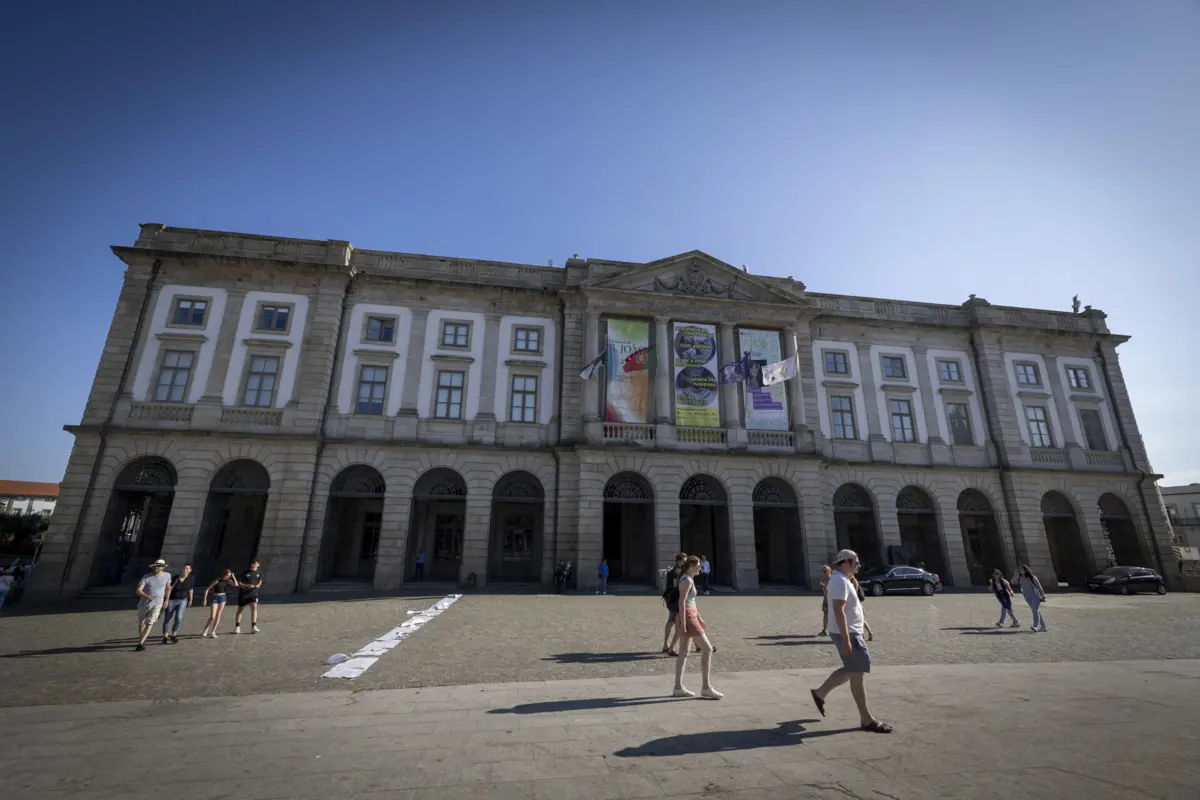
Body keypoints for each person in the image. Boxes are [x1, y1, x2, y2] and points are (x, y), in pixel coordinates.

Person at [810, 549, 892, 733]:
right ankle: (866, 719)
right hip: (848, 633)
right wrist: (847, 639)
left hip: (850, 632)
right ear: (845, 562)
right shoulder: (839, 581)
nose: (859, 565)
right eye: (856, 561)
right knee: (857, 671)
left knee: (854, 669)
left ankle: (820, 693)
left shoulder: (842, 580)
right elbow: (839, 610)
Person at [672, 555, 722, 699]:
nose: (700, 567)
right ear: (691, 567)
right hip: (688, 617)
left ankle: (678, 688)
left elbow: (690, 601)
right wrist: (683, 623)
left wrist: (699, 617)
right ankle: (706, 687)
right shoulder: (687, 580)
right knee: (707, 649)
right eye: (698, 565)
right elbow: (682, 603)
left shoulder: (688, 579)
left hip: (690, 615)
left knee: (683, 652)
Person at [135, 559, 172, 652]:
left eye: (159, 566)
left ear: (163, 567)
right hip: (144, 603)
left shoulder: (167, 576)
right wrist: (146, 596)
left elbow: (168, 588)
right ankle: (141, 638)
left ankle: (141, 642)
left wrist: (166, 600)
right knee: (142, 622)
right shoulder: (146, 577)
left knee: (150, 622)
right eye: (155, 566)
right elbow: (138, 590)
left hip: (158, 603)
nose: (156, 567)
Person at [661, 552, 687, 656]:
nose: (685, 563)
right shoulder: (677, 572)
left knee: (674, 621)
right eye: (684, 561)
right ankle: (667, 645)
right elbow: (678, 587)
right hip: (675, 600)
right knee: (682, 621)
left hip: (671, 599)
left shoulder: (675, 570)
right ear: (679, 561)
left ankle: (666, 644)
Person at [161, 564, 194, 644]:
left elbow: (191, 589)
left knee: (179, 617)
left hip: (182, 601)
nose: (185, 570)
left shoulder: (190, 579)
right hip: (171, 600)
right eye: (184, 568)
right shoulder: (175, 578)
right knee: (167, 618)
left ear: (190, 570)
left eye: (187, 569)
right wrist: (166, 600)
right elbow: (168, 590)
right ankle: (165, 637)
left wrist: (190, 600)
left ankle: (173, 635)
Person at [202, 569, 237, 638]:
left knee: (218, 615)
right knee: (212, 616)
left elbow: (236, 585)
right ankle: (206, 628)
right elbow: (207, 589)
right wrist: (204, 600)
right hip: (215, 597)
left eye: (229, 576)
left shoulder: (228, 581)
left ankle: (213, 631)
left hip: (223, 598)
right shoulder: (217, 581)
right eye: (227, 575)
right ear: (224, 574)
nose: (228, 577)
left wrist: (233, 576)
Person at [1013, 565, 1047, 632]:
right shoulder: (1019, 577)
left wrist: (1043, 596)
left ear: (1025, 570)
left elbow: (1039, 587)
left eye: (1021, 569)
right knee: (1036, 611)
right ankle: (1043, 627)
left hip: (1035, 595)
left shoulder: (1032, 577)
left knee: (1035, 611)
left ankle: (1035, 626)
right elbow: (1012, 582)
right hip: (1027, 596)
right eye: (1019, 569)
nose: (1020, 570)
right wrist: (1014, 575)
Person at [234, 560, 263, 634]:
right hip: (244, 593)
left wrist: (259, 585)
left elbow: (260, 580)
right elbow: (239, 583)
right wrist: (247, 585)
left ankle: (254, 626)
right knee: (240, 609)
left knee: (254, 607)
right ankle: (237, 626)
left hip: (253, 593)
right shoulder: (245, 572)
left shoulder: (259, 572)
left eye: (255, 564)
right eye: (252, 563)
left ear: (258, 565)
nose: (253, 565)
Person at [849, 574, 874, 641]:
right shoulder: (849, 581)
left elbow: (854, 593)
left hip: (856, 602)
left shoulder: (853, 581)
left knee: (860, 620)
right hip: (853, 603)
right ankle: (866, 634)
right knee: (859, 620)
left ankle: (867, 633)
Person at [818, 565, 832, 635]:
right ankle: (824, 630)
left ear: (828, 571)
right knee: (825, 615)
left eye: (824, 571)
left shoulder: (831, 579)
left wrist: (824, 586)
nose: (823, 572)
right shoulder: (823, 579)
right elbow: (825, 591)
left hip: (831, 599)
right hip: (826, 599)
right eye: (822, 571)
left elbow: (831, 590)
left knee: (834, 615)